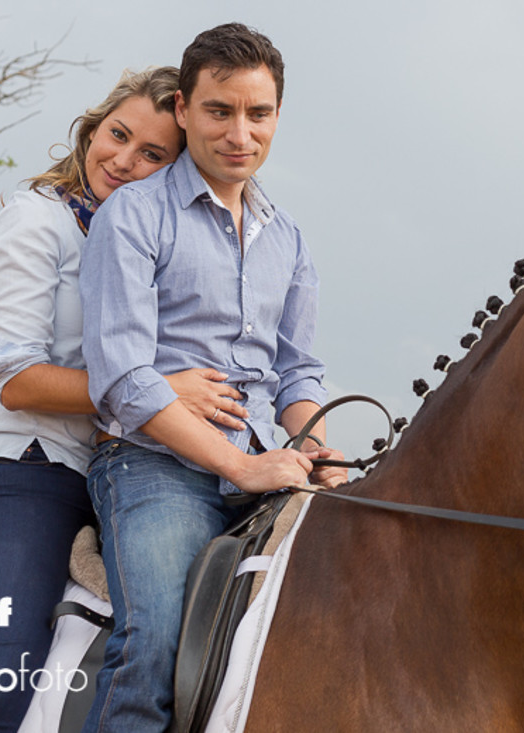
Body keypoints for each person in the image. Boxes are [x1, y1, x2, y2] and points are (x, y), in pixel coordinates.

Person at [0, 67, 236, 731]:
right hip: (26, 471)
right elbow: (17, 380)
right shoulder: (37, 222)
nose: (124, 160)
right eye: (118, 134)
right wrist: (159, 390)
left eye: (153, 154)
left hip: (136, 471)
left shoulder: (157, 245)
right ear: (93, 129)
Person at [78, 23, 347, 731]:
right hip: (154, 467)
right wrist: (243, 465)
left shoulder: (287, 238)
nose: (239, 133)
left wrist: (319, 445)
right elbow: (125, 380)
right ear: (183, 111)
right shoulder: (133, 216)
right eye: (219, 111)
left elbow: (299, 369)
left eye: (257, 114)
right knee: (156, 642)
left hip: (267, 462)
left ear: (277, 117)